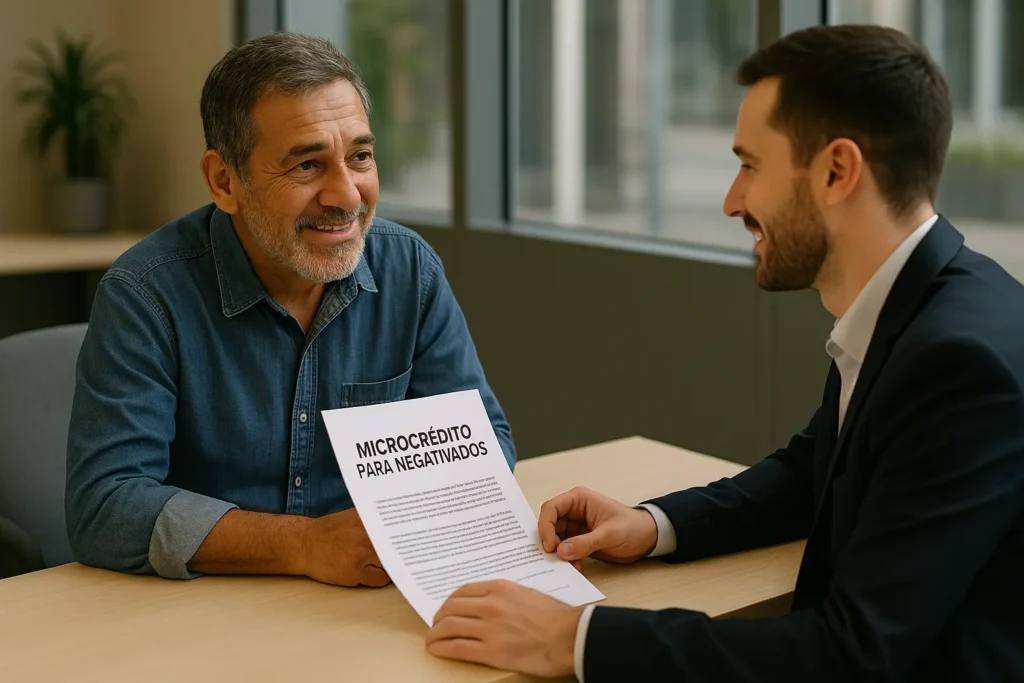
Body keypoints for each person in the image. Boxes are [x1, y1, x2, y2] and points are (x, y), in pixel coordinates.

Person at [424, 24, 1024, 681]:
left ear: (837, 170)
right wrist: (652, 524)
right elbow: (817, 470)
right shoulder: (930, 302)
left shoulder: (958, 364)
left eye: (749, 165)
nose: (731, 200)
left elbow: (850, 655)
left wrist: (572, 639)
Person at [65, 32, 514, 588]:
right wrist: (306, 545)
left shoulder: (410, 271)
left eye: (361, 157)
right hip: (206, 614)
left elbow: (485, 444)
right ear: (224, 181)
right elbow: (105, 507)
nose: (346, 195)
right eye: (307, 165)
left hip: (366, 600)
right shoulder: (146, 293)